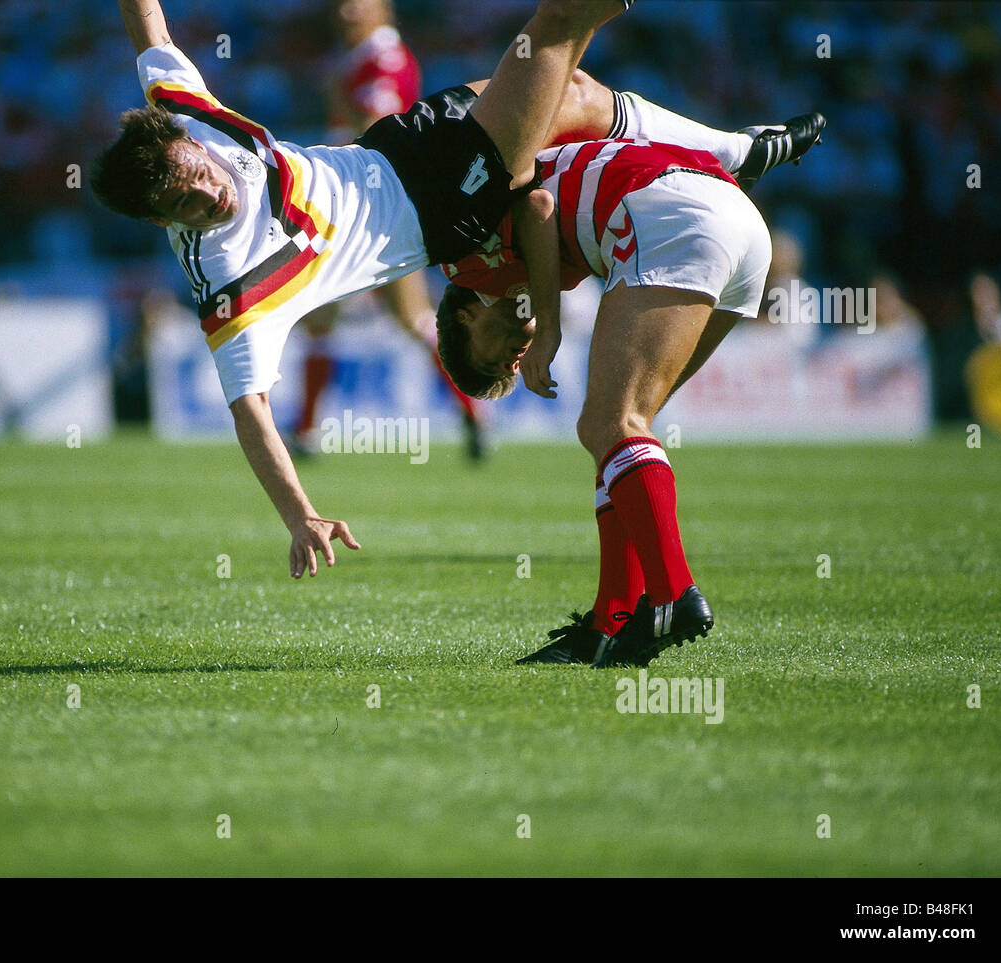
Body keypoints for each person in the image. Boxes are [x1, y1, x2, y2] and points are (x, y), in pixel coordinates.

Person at [90, 0, 823, 580]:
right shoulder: (228, 281)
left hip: (399, 144)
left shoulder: (178, 111)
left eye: (199, 175)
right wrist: (299, 514)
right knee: (559, 25)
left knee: (572, 87)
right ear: (164, 221)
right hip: (443, 204)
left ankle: (737, 150)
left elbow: (145, 26)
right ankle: (736, 152)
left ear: (180, 139)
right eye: (187, 206)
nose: (209, 195)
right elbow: (248, 411)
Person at [434, 127, 824, 667]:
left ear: (466, 314)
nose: (515, 354)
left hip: (673, 212)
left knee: (607, 425)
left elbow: (539, 207)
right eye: (512, 364)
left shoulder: (460, 260)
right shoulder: (508, 276)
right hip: (738, 226)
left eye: (497, 356)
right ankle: (610, 619)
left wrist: (548, 328)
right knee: (621, 429)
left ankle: (672, 596)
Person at [290, 0, 490, 461]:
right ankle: (304, 430)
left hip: (377, 208)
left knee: (407, 317)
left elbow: (375, 127)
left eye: (355, 4)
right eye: (339, 6)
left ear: (382, 8)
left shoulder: (384, 60)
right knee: (327, 316)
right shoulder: (356, 58)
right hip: (354, 204)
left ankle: (473, 410)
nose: (344, 13)